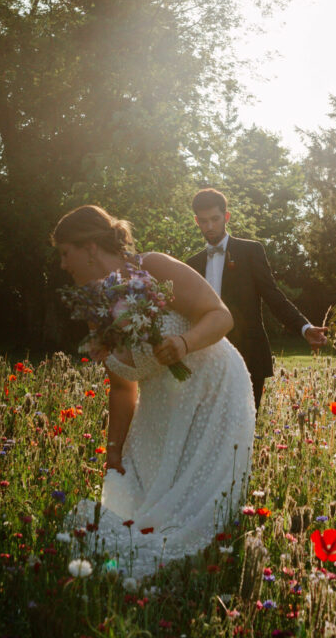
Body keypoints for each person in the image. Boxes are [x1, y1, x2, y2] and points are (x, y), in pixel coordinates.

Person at [53, 204, 255, 581]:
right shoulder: (97, 308)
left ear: (90, 248)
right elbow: (121, 387)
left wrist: (183, 342)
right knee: (136, 491)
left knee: (194, 507)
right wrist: (114, 450)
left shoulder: (154, 267)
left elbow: (220, 315)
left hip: (213, 389)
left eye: (66, 253)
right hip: (162, 404)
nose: (63, 265)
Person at [186, 188, 328, 411]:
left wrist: (304, 328)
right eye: (204, 221)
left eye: (215, 219)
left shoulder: (250, 251)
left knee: (245, 425)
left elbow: (273, 295)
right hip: (205, 357)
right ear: (196, 221)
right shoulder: (191, 264)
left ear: (226, 216)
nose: (210, 226)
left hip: (248, 354)